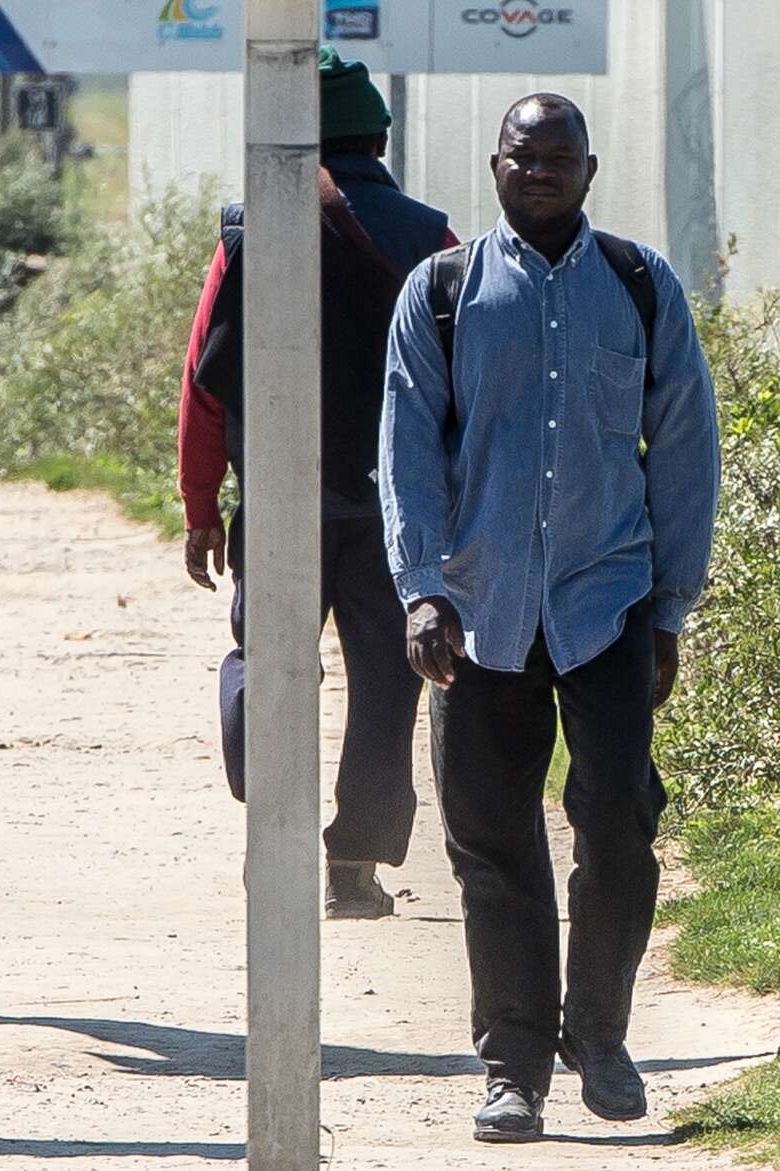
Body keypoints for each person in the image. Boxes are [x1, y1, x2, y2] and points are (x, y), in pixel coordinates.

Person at [380, 94, 720, 1142]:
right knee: (490, 841)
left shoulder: (638, 285)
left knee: (617, 820)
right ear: (494, 164)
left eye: (558, 158)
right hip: (478, 611)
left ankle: (600, 1035)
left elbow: (683, 445)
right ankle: (514, 1063)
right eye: (523, 157)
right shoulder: (438, 291)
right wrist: (421, 587)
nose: (540, 172)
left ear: (587, 168)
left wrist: (668, 603)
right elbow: (405, 451)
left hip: (606, 602)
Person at [183, 47, 457, 919]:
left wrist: (200, 508)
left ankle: (273, 836)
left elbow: (205, 381)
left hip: (280, 503)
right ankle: (356, 866)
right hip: (395, 511)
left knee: (266, 664)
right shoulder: (434, 239)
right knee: (386, 682)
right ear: (379, 135)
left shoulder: (247, 230)